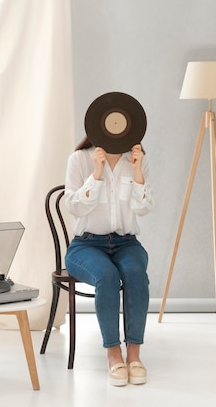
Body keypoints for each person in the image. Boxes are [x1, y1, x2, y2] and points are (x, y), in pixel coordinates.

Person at [64, 136, 154, 386]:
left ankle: (134, 355)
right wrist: (97, 173)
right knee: (107, 275)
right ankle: (113, 354)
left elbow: (144, 209)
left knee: (136, 273)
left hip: (126, 243)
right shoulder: (80, 159)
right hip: (86, 245)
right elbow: (73, 206)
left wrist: (137, 172)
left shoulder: (136, 159)